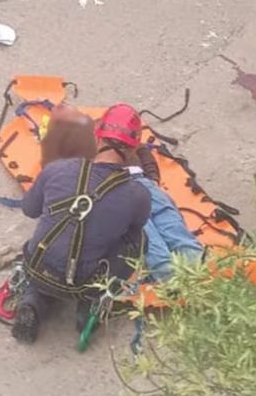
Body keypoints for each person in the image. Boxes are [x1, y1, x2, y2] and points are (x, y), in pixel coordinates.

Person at [13, 103, 151, 344]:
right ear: (132, 151)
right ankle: (90, 305)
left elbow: (29, 210)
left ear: (97, 139)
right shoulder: (137, 195)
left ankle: (33, 300)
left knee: (56, 235)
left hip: (36, 266)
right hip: (83, 282)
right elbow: (132, 232)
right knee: (139, 240)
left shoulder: (57, 169)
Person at [39, 105, 204, 285]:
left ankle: (183, 267)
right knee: (154, 225)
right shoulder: (83, 155)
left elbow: (144, 153)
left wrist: (153, 179)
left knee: (160, 223)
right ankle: (179, 269)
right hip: (123, 187)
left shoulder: (98, 143)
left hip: (137, 183)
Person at [126, 145, 204, 283]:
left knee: (149, 230)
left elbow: (143, 152)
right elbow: (143, 152)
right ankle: (190, 270)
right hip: (131, 182)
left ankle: (171, 274)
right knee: (163, 225)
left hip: (131, 182)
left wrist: (153, 178)